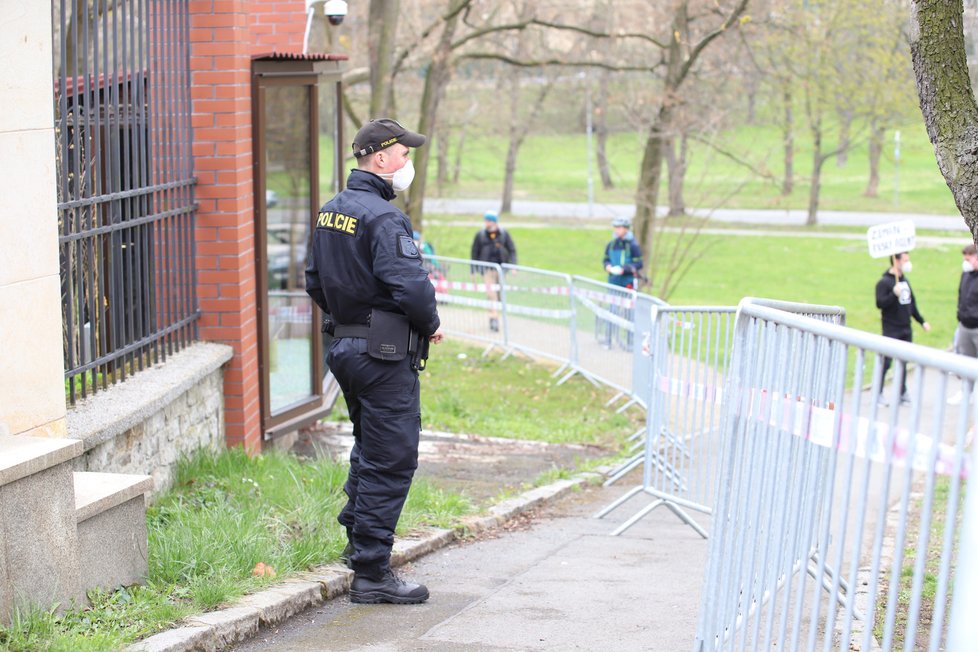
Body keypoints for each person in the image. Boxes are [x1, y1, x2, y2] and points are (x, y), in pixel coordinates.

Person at [305, 118, 443, 605]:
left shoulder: (332, 211)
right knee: (392, 457)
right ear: (381, 158)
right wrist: (428, 323)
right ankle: (371, 572)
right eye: (404, 155)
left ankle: (356, 545)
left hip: (345, 348)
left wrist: (351, 316)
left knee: (369, 448)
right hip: (382, 355)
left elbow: (314, 282)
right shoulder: (385, 218)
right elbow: (410, 284)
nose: (407, 163)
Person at [874, 251, 930, 405]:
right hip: (891, 329)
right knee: (887, 362)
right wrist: (893, 294)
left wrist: (922, 321)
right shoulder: (884, 283)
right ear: (896, 260)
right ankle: (877, 392)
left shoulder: (904, 281)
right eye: (905, 259)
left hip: (906, 328)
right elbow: (880, 303)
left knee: (904, 362)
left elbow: (911, 304)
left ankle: (902, 392)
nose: (907, 262)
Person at [470, 210, 517, 332]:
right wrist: (473, 270)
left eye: (489, 220)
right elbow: (474, 253)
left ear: (494, 222)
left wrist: (513, 266)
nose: (486, 222)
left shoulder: (504, 234)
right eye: (485, 220)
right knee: (491, 294)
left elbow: (512, 249)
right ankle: (493, 319)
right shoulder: (480, 235)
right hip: (487, 270)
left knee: (499, 295)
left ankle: (496, 316)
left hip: (501, 270)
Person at [949, 243, 978, 404]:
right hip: (965, 325)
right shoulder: (965, 275)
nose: (966, 262)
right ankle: (966, 392)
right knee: (965, 362)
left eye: (968, 259)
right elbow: (961, 295)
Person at [603, 217, 644, 289]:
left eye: (619, 228)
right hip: (613, 282)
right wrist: (607, 266)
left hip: (627, 283)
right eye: (615, 227)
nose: (616, 230)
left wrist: (625, 269)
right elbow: (606, 259)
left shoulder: (633, 245)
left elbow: (639, 263)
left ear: (626, 229)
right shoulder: (611, 245)